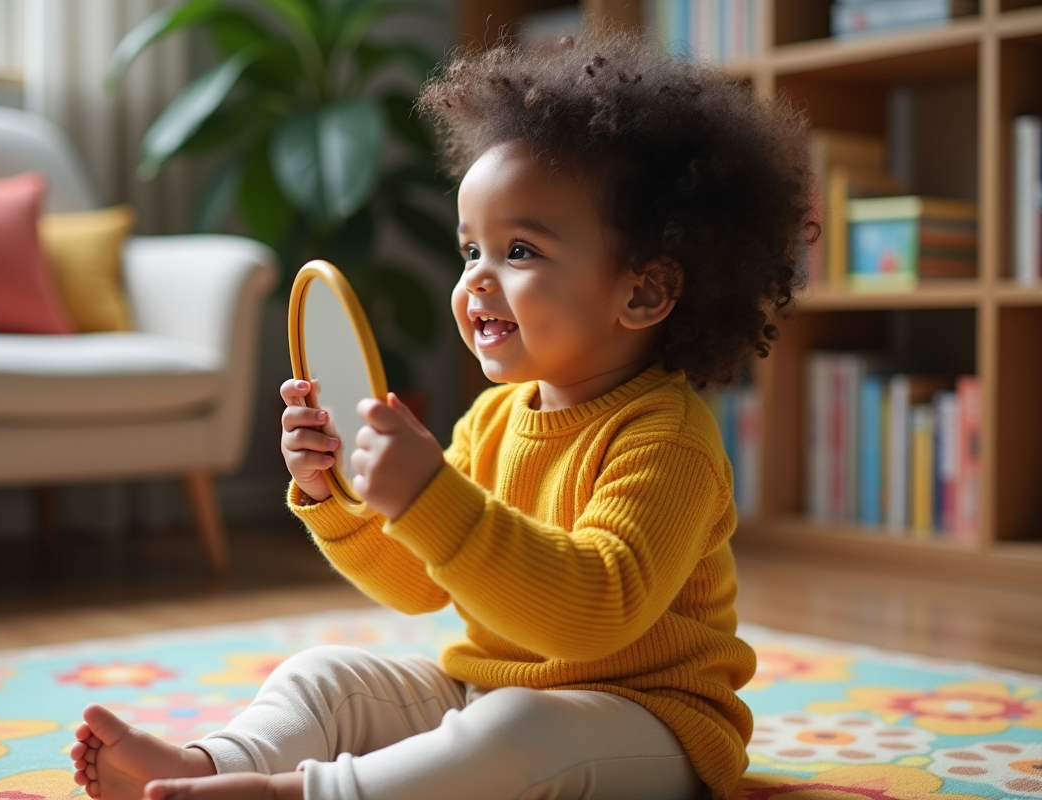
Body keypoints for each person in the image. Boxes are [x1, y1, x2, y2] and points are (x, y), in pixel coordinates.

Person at [69, 28, 814, 800]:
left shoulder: (668, 438)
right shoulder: (493, 420)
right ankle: (215, 763)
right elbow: (423, 582)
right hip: (490, 694)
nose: (477, 282)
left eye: (519, 251)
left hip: (652, 725)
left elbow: (593, 613)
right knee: (323, 675)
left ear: (644, 292)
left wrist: (430, 497)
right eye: (469, 251)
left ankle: (299, 794)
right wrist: (339, 501)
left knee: (519, 734)